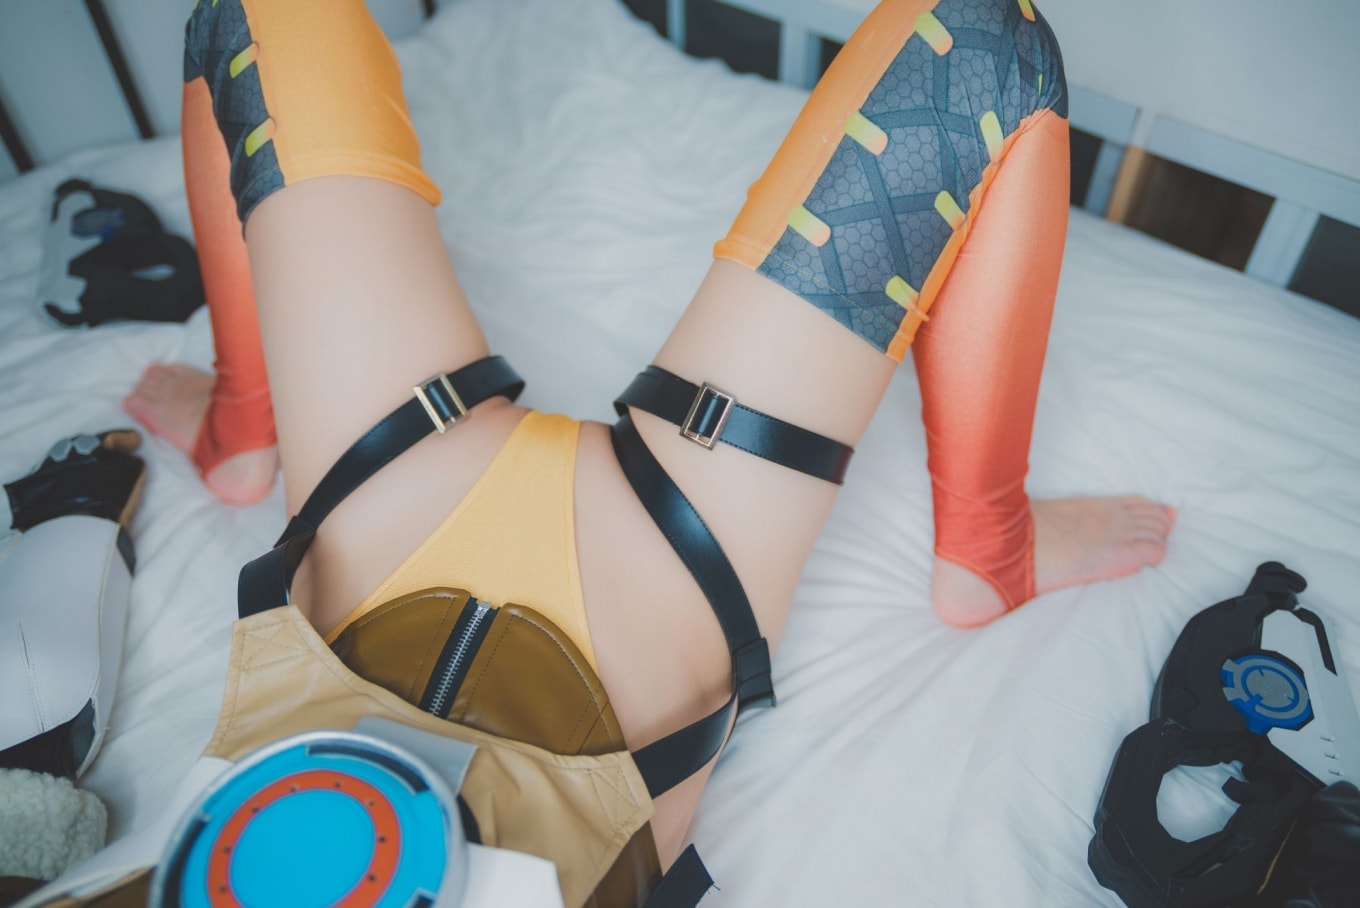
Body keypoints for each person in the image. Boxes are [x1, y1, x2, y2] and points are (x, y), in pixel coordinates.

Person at [121, 0, 1173, 881]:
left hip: (375, 512)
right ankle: (988, 543)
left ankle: (245, 421)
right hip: (639, 621)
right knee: (986, 49)